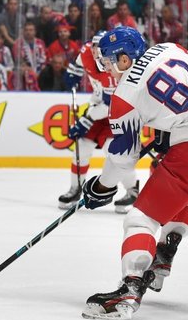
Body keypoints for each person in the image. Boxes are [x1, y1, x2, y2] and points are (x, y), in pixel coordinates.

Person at [80, 26, 188, 320]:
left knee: (140, 218)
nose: (106, 68)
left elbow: (123, 158)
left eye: (110, 61)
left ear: (125, 60)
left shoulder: (124, 95)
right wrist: (169, 131)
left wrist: (103, 186)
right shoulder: (171, 48)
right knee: (177, 184)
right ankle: (165, 251)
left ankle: (129, 289)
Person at [60, 32, 140, 213]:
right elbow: (79, 64)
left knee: (115, 153)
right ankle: (76, 188)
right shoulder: (87, 51)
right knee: (82, 146)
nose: (97, 52)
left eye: (101, 49)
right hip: (97, 107)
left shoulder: (113, 68)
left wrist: (84, 122)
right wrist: (73, 73)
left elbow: (109, 105)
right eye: (95, 47)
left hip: (115, 113)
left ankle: (132, 190)